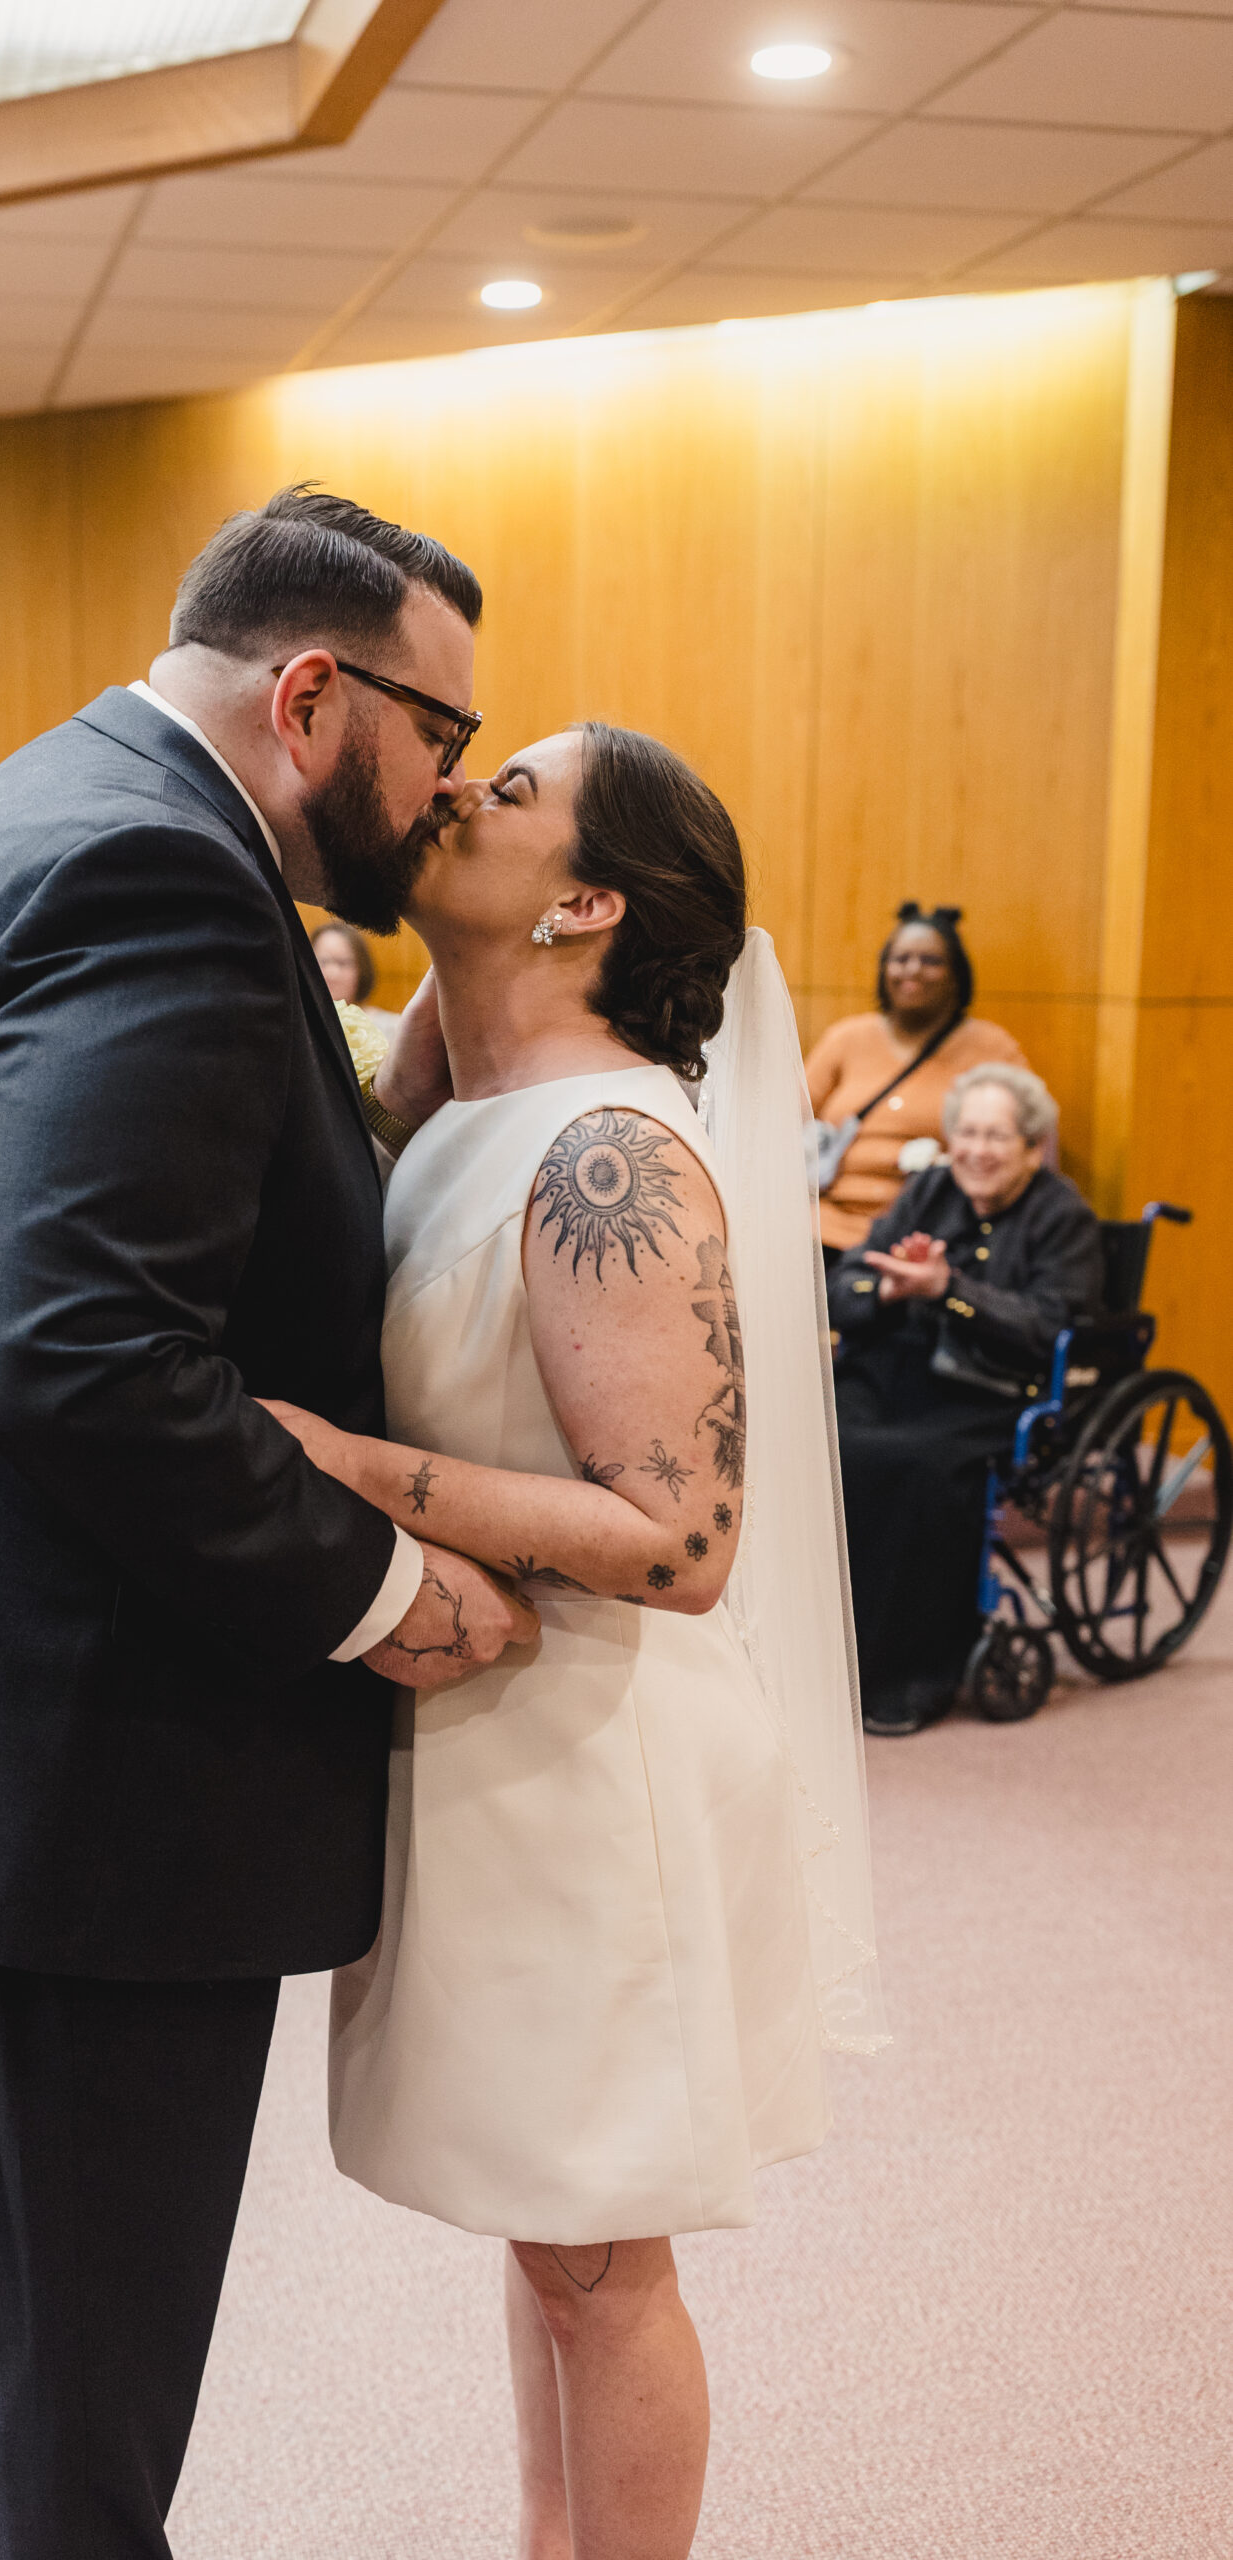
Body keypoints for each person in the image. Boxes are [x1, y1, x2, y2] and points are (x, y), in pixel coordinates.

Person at [0, 487, 538, 2560]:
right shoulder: (160, 876)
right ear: (314, 692)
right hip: (68, 1786)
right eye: (445, 727)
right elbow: (78, 1351)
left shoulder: (62, 801)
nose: (447, 785)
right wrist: (372, 1582)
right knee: (67, 2421)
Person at [262, 723, 883, 2560]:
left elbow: (678, 1537)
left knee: (604, 2262)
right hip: (498, 1745)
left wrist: (343, 1466)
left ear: (591, 901)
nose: (455, 792)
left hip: (593, 1767)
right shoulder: (465, 1117)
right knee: (555, 2233)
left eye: (510, 791)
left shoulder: (608, 1146)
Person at [828, 1063, 1102, 1738]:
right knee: (810, 1430)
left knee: (906, 1467)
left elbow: (1046, 1326)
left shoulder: (1059, 1214)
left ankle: (899, 1674)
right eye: (967, 1133)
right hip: (892, 1373)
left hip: (986, 1394)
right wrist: (888, 1291)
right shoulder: (927, 1192)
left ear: (1031, 1145)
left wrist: (950, 1290)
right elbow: (844, 1283)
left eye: (997, 1136)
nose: (977, 1149)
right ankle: (815, 1655)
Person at [806, 902, 1027, 1261]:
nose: (913, 970)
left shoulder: (992, 1048)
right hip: (821, 1228)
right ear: (883, 969)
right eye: (901, 958)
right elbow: (785, 1121)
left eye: (931, 961)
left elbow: (1028, 1143)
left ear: (957, 975)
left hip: (929, 1235)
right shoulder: (846, 1038)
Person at [312, 918, 399, 1035]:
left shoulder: (392, 1028)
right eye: (323, 961)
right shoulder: (295, 1026)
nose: (332, 973)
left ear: (362, 969)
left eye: (343, 963)